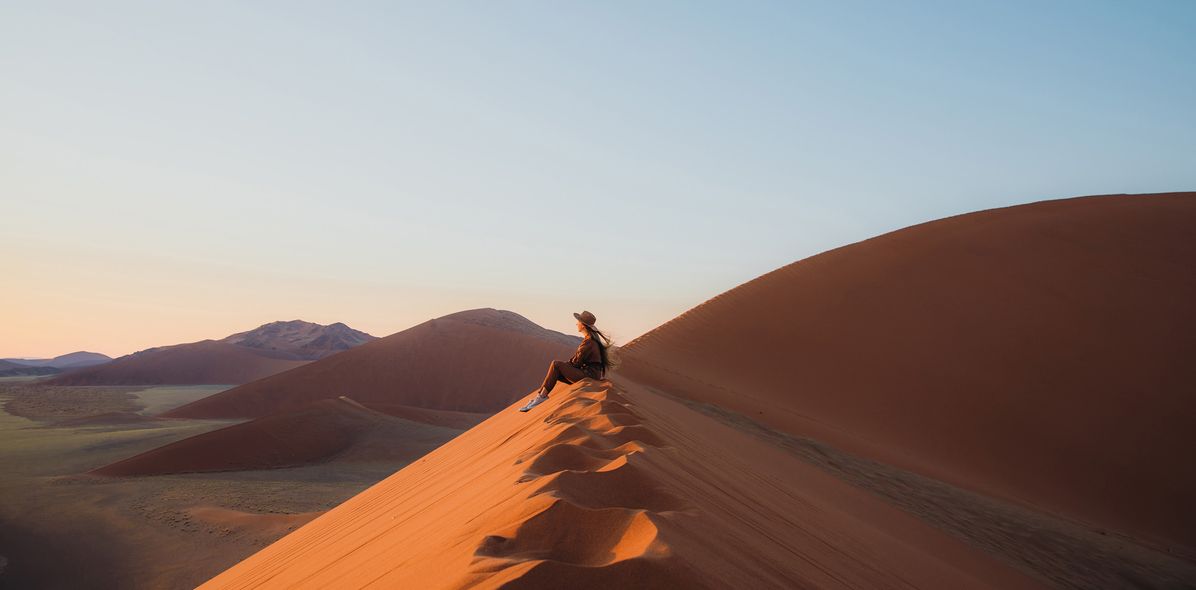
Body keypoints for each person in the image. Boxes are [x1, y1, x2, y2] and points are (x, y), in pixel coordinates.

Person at [519, 310, 613, 412]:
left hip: (589, 375)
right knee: (556, 370)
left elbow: (576, 363)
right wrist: (567, 365)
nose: (576, 323)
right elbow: (576, 361)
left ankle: (541, 397)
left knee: (556, 365)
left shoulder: (589, 342)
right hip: (591, 374)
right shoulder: (590, 340)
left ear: (583, 325)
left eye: (578, 321)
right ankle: (539, 396)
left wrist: (565, 365)